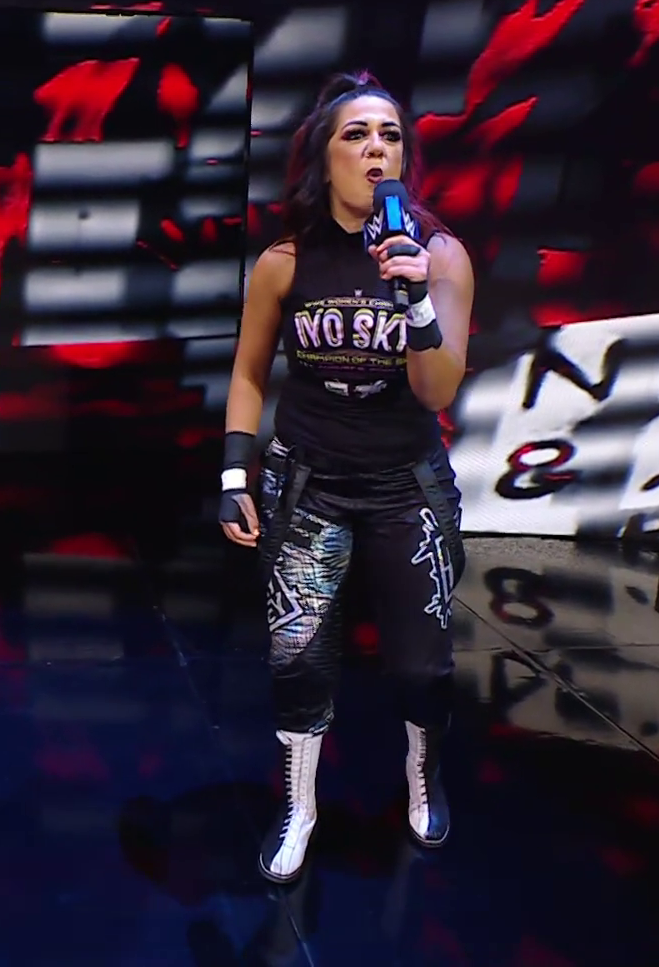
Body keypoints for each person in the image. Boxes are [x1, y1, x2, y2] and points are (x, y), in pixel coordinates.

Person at [218, 71, 473, 879]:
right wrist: (233, 475)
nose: (375, 149)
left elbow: (437, 391)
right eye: (356, 134)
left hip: (405, 483)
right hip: (310, 483)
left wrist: (417, 301)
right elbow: (249, 373)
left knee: (421, 663)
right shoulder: (286, 262)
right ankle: (300, 806)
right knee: (298, 658)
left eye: (390, 135)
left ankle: (423, 777)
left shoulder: (440, 256)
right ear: (324, 156)